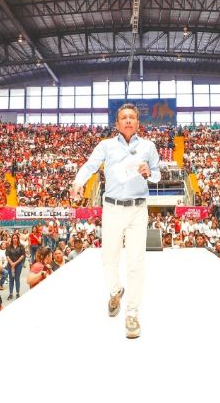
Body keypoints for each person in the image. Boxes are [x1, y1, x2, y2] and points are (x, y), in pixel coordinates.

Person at [71, 103, 161, 339]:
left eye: (132, 117)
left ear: (138, 123)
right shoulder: (106, 146)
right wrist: (78, 182)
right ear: (117, 124)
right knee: (109, 257)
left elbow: (159, 172)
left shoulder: (148, 146)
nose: (128, 120)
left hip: (138, 209)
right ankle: (115, 290)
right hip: (111, 207)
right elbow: (90, 166)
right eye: (124, 117)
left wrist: (149, 173)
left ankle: (132, 313)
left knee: (135, 262)